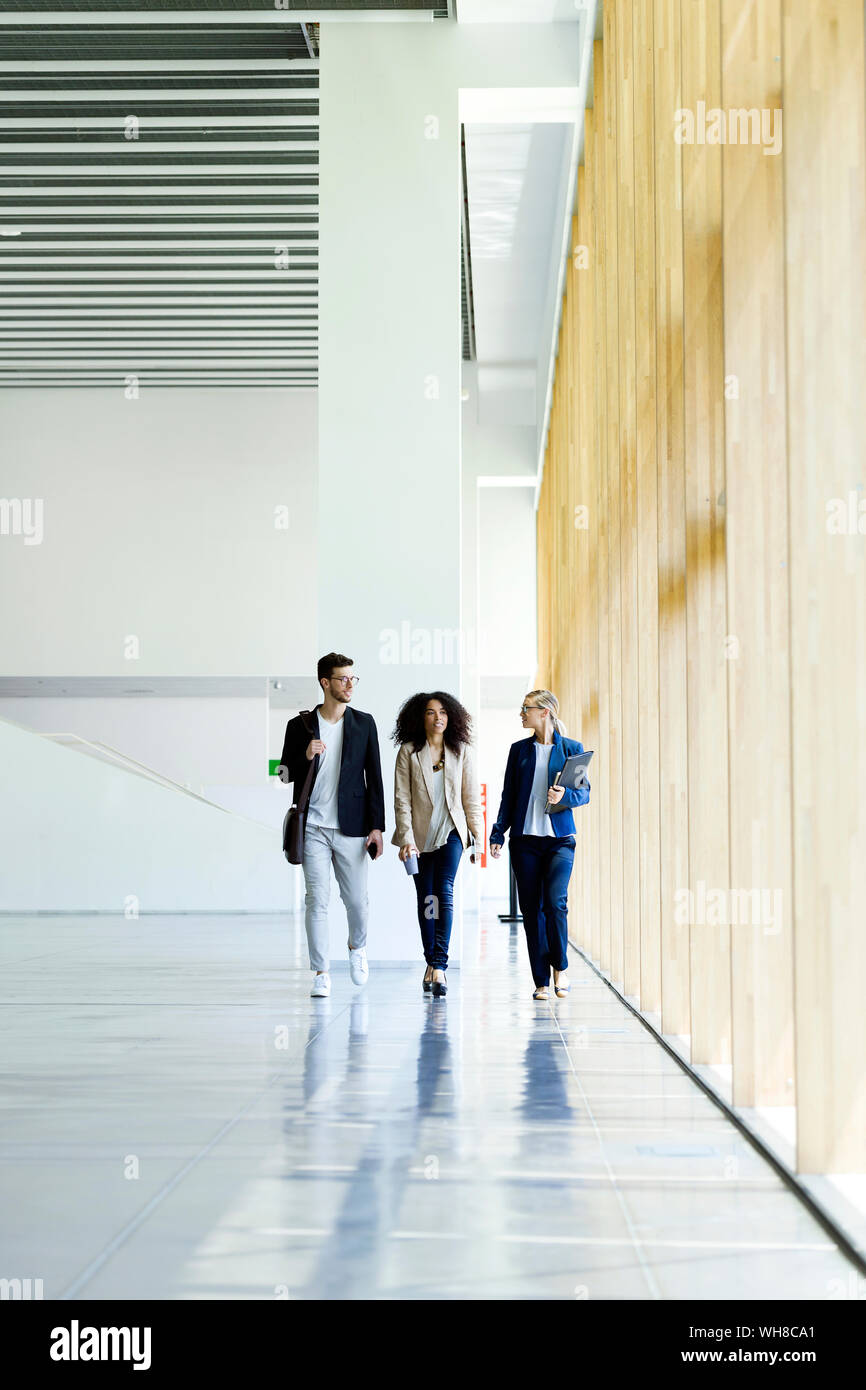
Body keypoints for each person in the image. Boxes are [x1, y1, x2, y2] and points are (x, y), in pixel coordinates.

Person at [280, 652, 385, 998]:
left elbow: (375, 778)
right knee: (317, 900)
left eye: (353, 678)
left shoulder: (364, 723)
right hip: (313, 827)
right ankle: (321, 972)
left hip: (353, 827)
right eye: (343, 679)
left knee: (357, 901)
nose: (350, 684)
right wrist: (304, 756)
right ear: (325, 683)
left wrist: (377, 827)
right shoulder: (300, 726)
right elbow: (282, 774)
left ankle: (357, 948)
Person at [489, 689, 590, 1001]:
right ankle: (541, 981)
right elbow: (509, 795)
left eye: (526, 709)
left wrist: (564, 797)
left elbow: (584, 794)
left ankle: (560, 967)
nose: (521, 714)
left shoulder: (572, 750)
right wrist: (497, 833)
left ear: (544, 712)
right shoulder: (518, 751)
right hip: (525, 842)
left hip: (560, 841)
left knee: (555, 903)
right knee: (531, 910)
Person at [391, 692, 484, 997]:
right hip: (418, 836)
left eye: (443, 712)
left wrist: (477, 839)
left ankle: (440, 965)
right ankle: (430, 961)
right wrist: (405, 839)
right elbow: (402, 800)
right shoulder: (408, 752)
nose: (438, 717)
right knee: (426, 897)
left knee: (443, 890)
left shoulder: (461, 752)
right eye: (431, 712)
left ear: (451, 716)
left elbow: (471, 799)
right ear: (421, 717)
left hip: (452, 832)